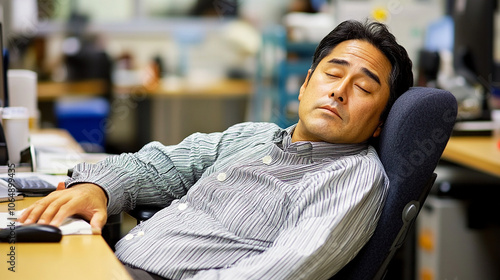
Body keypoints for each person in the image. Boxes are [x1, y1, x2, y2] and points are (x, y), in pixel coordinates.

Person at [18, 19, 413, 280]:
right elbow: (158, 166)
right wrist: (98, 189)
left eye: (363, 88)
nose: (340, 91)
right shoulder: (252, 137)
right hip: (111, 262)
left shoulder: (350, 177)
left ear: (380, 122)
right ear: (305, 83)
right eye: (332, 73)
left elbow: (283, 271)